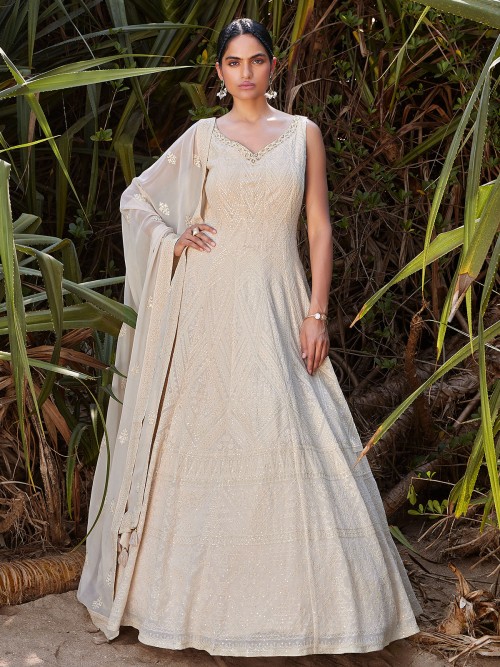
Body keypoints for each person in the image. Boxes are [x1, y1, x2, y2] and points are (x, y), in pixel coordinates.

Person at [77, 17, 423, 657]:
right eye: (234, 62)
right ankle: (183, 608)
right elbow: (137, 198)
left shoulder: (303, 134)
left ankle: (317, 611)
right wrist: (172, 238)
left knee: (289, 426)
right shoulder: (202, 138)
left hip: (280, 298)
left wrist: (316, 313)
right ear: (219, 72)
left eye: (256, 60)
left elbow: (318, 228)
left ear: (272, 66)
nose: (246, 73)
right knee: (206, 437)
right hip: (208, 307)